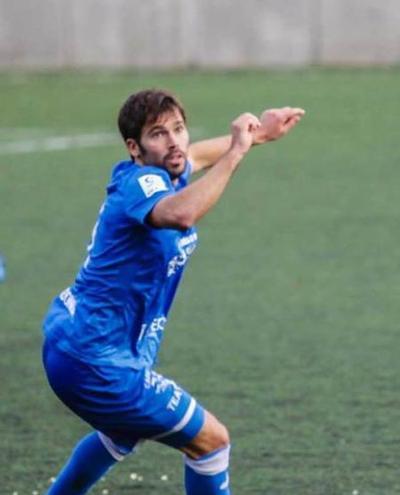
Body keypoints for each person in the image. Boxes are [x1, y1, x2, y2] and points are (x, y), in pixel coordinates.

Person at [42, 89, 305, 494]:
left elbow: (195, 155)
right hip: (97, 358)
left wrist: (260, 136)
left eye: (178, 129)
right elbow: (181, 214)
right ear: (135, 147)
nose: (174, 142)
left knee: (120, 435)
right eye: (158, 134)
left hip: (76, 343)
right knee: (212, 443)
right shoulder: (141, 183)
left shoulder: (165, 168)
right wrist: (237, 151)